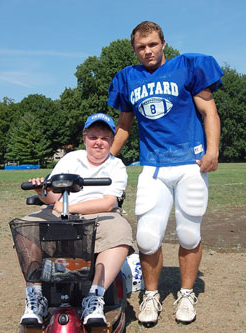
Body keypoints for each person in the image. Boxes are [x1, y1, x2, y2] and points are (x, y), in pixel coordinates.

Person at [108, 21, 224, 325]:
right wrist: (103, 160)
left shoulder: (185, 67)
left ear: (163, 44)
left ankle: (186, 292)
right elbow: (123, 126)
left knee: (189, 233)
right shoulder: (128, 78)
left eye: (152, 44)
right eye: (141, 47)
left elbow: (209, 111)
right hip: (154, 166)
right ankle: (151, 294)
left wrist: (212, 151)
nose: (147, 51)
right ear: (134, 49)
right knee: (146, 238)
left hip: (190, 163)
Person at [17, 113, 134, 327]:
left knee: (121, 230)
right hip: (61, 209)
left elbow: (108, 203)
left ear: (111, 140)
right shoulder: (70, 159)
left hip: (98, 213)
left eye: (104, 138)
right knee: (27, 226)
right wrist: (40, 190)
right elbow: (53, 197)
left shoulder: (116, 166)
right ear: (85, 138)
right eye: (93, 137)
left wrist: (69, 207)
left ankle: (95, 297)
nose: (99, 142)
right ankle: (35, 297)